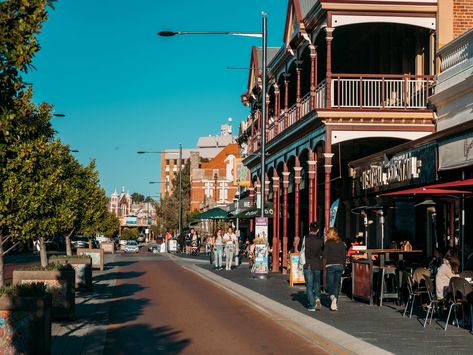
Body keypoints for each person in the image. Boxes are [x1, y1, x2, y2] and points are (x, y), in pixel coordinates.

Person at [323, 227, 347, 311]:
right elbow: (344, 256)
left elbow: (325, 255)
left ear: (330, 234)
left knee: (330, 284)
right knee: (336, 284)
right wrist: (343, 266)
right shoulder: (341, 243)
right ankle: (335, 303)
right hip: (340, 265)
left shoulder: (328, 243)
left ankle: (332, 297)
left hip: (330, 265)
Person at [302, 221, 324, 311]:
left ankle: (311, 305)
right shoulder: (320, 240)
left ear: (309, 229)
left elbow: (300, 249)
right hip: (317, 264)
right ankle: (317, 298)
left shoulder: (305, 239)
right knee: (317, 283)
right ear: (318, 230)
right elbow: (322, 252)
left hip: (307, 264)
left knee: (309, 285)